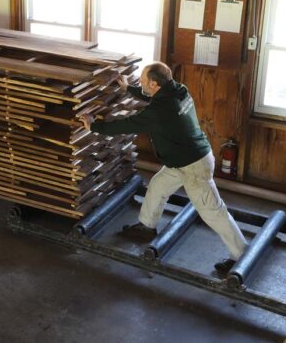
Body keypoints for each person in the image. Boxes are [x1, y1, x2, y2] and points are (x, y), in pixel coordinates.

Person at [78, 62, 248, 276]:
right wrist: (129, 89)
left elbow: (126, 125)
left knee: (213, 211)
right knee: (158, 185)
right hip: (184, 159)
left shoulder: (158, 111)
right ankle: (147, 226)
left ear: (154, 83)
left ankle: (241, 255)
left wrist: (94, 126)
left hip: (193, 165)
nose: (140, 84)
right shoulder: (178, 90)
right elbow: (154, 97)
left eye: (142, 81)